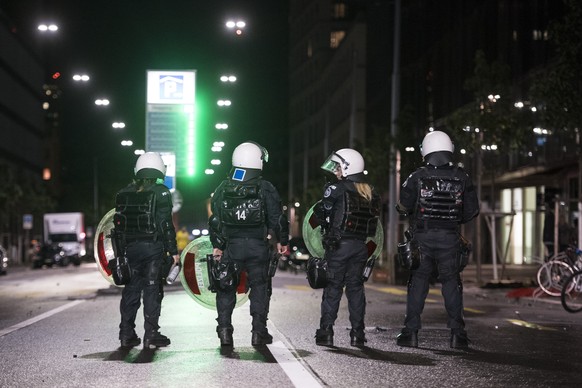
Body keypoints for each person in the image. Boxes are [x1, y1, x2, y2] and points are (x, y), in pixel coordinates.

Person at [395, 130, 479, 349]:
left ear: (427, 150)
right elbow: (471, 211)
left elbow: (403, 205)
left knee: (418, 284)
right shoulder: (463, 177)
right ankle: (457, 336)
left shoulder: (417, 176)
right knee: (452, 284)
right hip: (450, 237)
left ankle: (410, 333)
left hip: (422, 238)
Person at [208, 141, 289, 347]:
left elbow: (215, 219)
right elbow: (277, 219)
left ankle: (225, 331)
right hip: (257, 247)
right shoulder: (265, 187)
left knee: (226, 287)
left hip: (231, 246)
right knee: (260, 288)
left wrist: (217, 245)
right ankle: (258, 332)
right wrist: (282, 241)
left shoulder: (223, 187)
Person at [313, 148, 381, 347]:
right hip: (360, 247)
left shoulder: (336, 189)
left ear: (347, 167)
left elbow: (320, 215)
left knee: (332, 288)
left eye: (338, 167)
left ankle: (326, 332)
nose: (335, 171)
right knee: (356, 290)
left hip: (338, 246)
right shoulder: (370, 192)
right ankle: (357, 334)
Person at [112, 152, 179, 349]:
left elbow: (117, 224)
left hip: (130, 250)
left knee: (131, 290)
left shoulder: (124, 192)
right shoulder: (162, 192)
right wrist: (173, 250)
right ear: (159, 169)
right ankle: (151, 334)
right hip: (153, 249)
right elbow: (165, 223)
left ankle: (126, 333)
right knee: (152, 289)